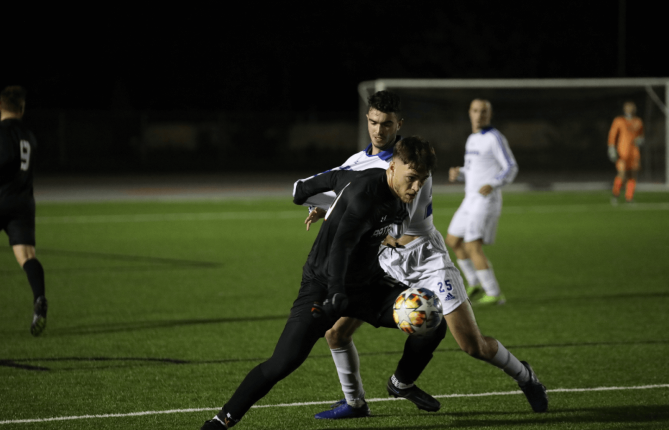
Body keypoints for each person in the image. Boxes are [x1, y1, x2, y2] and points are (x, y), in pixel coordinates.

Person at [304, 92, 546, 420]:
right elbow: (345, 197)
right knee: (336, 333)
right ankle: (355, 403)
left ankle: (524, 375)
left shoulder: (413, 167)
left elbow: (392, 224)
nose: (379, 130)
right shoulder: (358, 163)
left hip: (425, 261)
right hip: (387, 261)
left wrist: (344, 223)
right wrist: (327, 209)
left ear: (397, 126)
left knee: (472, 345)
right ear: (367, 122)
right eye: (374, 123)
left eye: (387, 124)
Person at [200, 137, 444, 429]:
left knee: (432, 320)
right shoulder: (365, 195)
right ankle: (221, 420)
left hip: (366, 284)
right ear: (392, 167)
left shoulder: (376, 186)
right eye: (412, 178)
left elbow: (320, 184)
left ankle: (401, 382)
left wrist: (308, 196)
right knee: (284, 361)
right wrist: (337, 290)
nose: (417, 187)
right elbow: (340, 246)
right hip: (324, 285)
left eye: (423, 180)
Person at [445, 99, 517, 306]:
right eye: (476, 111)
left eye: (483, 112)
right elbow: (472, 170)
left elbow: (511, 166)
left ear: (489, 115)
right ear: (470, 113)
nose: (479, 115)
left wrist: (494, 183)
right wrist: (459, 173)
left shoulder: (495, 138)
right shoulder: (472, 139)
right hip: (469, 199)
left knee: (472, 245)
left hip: (486, 200)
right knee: (453, 240)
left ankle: (494, 293)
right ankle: (475, 282)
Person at [0, 86, 47, 337]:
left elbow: (4, 160)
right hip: (23, 204)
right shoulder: (29, 135)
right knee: (27, 257)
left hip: (1, 199)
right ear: (22, 108)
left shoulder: (2, 134)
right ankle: (39, 299)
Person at [608, 101, 644, 204]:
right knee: (622, 174)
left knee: (632, 175)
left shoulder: (638, 121)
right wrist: (611, 147)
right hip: (622, 151)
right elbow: (613, 134)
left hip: (634, 152)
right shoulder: (619, 120)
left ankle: (629, 197)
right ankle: (615, 193)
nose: (630, 109)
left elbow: (641, 135)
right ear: (624, 109)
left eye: (632, 108)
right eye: (628, 108)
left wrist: (640, 140)